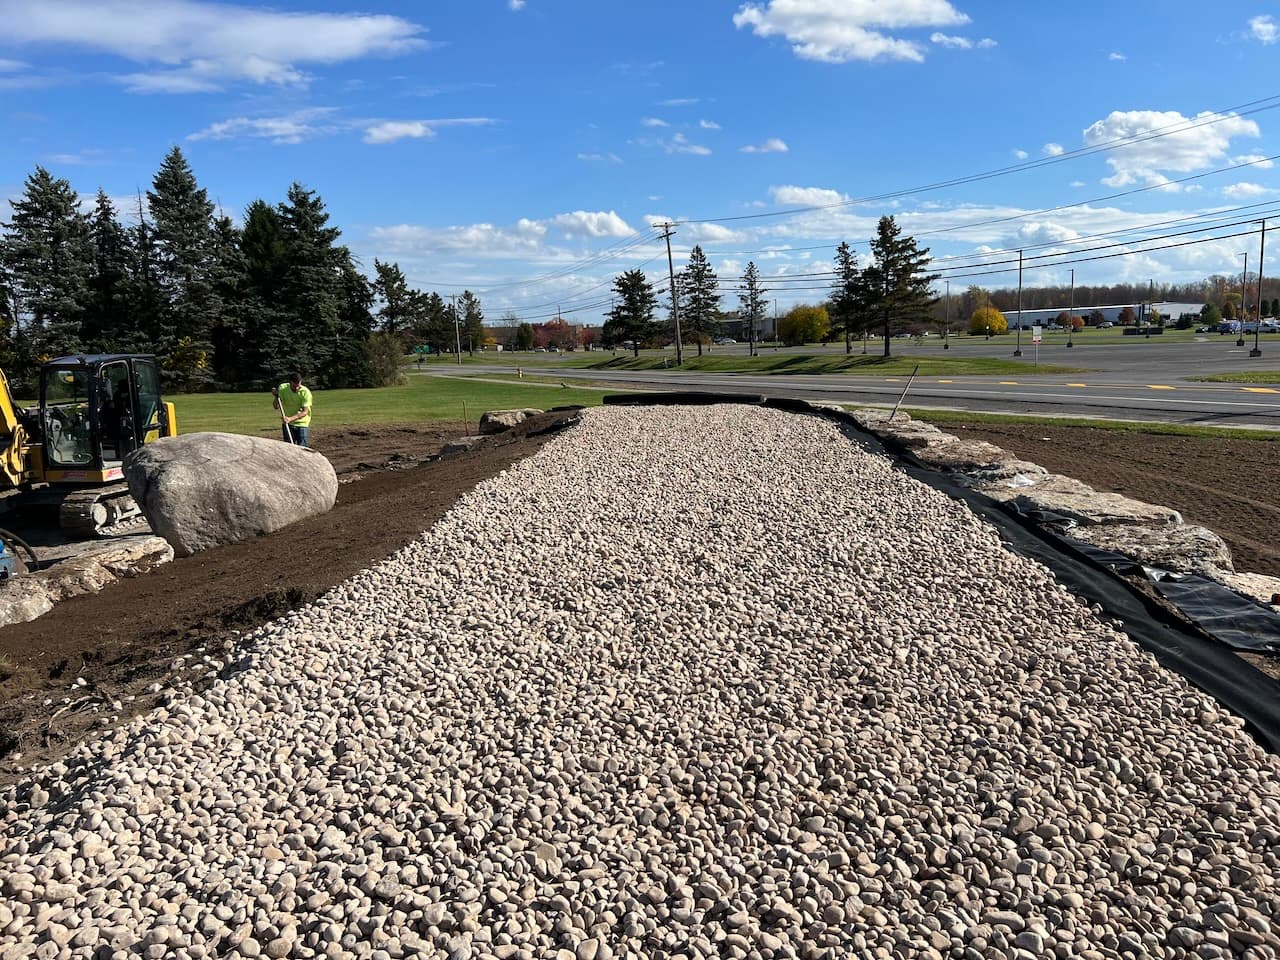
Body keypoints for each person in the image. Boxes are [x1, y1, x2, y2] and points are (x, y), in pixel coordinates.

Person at [272, 372, 313, 447]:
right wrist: (276, 396)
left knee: (303, 449)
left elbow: (305, 412)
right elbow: (276, 406)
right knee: (289, 448)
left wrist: (290, 419)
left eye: (299, 386)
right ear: (290, 382)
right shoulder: (283, 388)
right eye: (294, 386)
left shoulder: (305, 392)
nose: (297, 388)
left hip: (302, 424)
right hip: (288, 424)